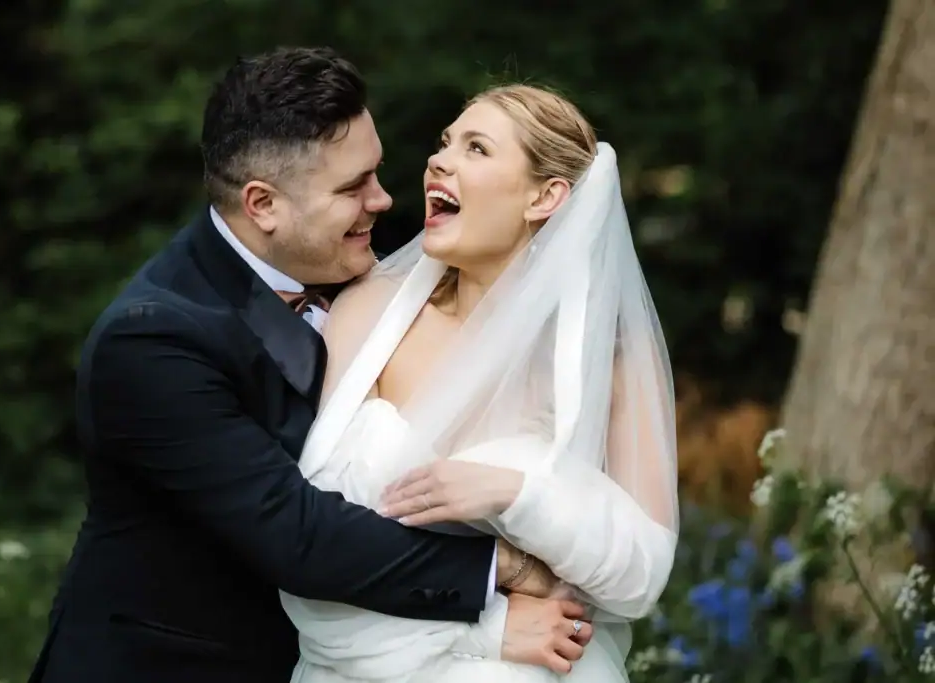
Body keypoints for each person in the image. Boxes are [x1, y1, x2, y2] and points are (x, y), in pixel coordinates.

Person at [26, 48, 592, 683]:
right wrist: (502, 576)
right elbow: (296, 533)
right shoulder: (155, 338)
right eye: (353, 188)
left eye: (375, 172)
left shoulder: (372, 288)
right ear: (263, 204)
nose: (383, 200)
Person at [280, 84, 680, 682]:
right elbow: (308, 547)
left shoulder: (611, 357)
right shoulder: (368, 314)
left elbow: (641, 580)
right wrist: (482, 632)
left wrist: (516, 494)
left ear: (545, 197)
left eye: (476, 148)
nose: (440, 161)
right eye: (445, 143)